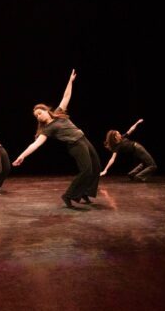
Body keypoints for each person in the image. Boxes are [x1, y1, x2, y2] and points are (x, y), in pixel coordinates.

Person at [12, 70, 101, 208]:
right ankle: (68, 195)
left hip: (83, 139)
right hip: (75, 144)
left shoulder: (58, 113)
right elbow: (35, 144)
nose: (38, 116)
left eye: (40, 113)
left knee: (96, 166)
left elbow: (66, 97)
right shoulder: (46, 129)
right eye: (36, 116)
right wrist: (22, 156)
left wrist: (70, 81)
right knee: (86, 170)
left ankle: (85, 192)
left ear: (47, 110)